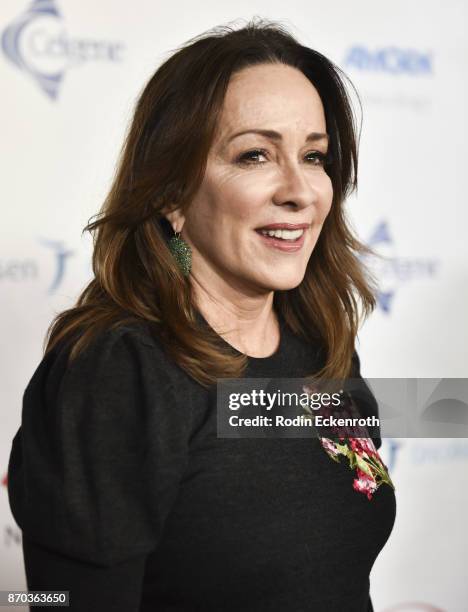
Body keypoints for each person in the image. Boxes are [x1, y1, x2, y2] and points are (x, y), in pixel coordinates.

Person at [7, 17, 396, 612]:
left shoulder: (319, 345)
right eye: (255, 155)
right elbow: (60, 601)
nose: (300, 189)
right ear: (170, 194)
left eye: (314, 156)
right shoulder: (120, 370)